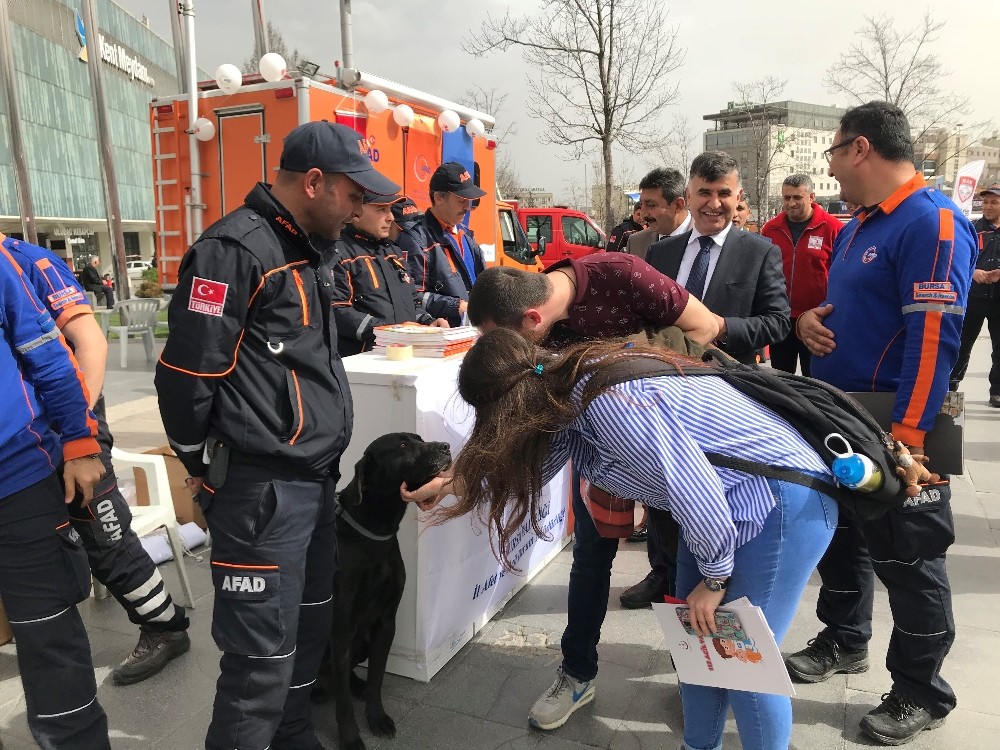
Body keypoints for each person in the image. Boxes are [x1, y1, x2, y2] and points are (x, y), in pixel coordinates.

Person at [410, 328, 839, 750]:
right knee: (697, 648)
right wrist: (451, 485)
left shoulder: (608, 402)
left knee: (743, 666)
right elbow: (529, 471)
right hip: (720, 510)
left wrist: (714, 580)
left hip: (780, 501)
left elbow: (695, 489)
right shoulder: (561, 391)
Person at [155, 120, 400, 750]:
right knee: (259, 662)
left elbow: (299, 344)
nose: (359, 210)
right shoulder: (233, 250)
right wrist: (197, 462)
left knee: (309, 633)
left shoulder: (310, 248)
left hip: (314, 484)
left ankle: (294, 737)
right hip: (260, 492)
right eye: (353, 195)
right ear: (314, 182)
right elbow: (187, 372)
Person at [789, 101, 976, 745]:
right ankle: (845, 638)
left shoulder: (932, 222)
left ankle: (923, 690)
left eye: (834, 151)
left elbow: (934, 337)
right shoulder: (859, 225)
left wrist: (910, 439)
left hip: (899, 424)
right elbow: (842, 307)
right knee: (844, 539)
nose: (832, 167)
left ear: (860, 148)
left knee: (911, 556)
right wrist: (808, 324)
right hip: (842, 414)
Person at [467, 256, 719, 732]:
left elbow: (706, 327)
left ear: (532, 319)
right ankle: (577, 674)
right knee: (589, 559)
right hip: (593, 450)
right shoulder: (538, 337)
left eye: (505, 340)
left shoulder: (622, 275)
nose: (505, 352)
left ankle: (696, 679)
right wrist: (465, 478)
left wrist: (636, 388)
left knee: (686, 564)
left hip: (666, 448)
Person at [3, 234, 191, 685]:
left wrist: (76, 434)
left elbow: (91, 343)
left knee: (104, 535)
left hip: (70, 431)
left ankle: (165, 627)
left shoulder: (30, 261)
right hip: (26, 445)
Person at [632, 151, 791, 611]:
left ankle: (716, 579)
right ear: (689, 195)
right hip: (664, 392)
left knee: (716, 495)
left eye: (724, 193)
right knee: (663, 489)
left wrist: (722, 327)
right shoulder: (660, 252)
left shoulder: (759, 252)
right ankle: (663, 572)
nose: (714, 203)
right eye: (705, 192)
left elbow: (778, 322)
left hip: (726, 398)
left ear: (738, 197)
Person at [0, 242, 111, 748]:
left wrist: (81, 441)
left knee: (50, 643)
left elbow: (51, 354)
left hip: (18, 478)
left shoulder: (14, 258)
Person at [324, 190, 449, 356]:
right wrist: (391, 332)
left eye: (390, 209)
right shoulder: (337, 252)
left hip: (401, 357)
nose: (390, 217)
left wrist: (428, 323)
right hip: (365, 362)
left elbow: (412, 304)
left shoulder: (393, 251)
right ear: (357, 211)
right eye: (381, 209)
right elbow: (337, 310)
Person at [760, 174, 841, 377]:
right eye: (786, 198)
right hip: (781, 318)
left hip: (817, 321)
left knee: (814, 379)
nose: (791, 203)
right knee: (781, 380)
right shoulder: (770, 229)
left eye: (797, 197)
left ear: (812, 197)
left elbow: (842, 275)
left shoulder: (834, 229)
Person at [396, 162, 487, 326]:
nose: (467, 207)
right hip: (443, 334)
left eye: (469, 201)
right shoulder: (415, 239)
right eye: (461, 200)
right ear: (438, 198)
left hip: (472, 330)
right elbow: (411, 296)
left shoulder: (466, 236)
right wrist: (455, 306)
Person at [950, 182, 1000, 406]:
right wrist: (973, 272)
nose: (987, 206)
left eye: (994, 202)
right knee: (961, 345)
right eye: (985, 202)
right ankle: (950, 388)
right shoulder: (971, 228)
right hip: (973, 298)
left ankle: (997, 391)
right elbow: (955, 258)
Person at [625, 167, 691, 259]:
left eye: (651, 205)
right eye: (641, 204)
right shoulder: (636, 243)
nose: (643, 215)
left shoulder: (706, 239)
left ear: (678, 205)